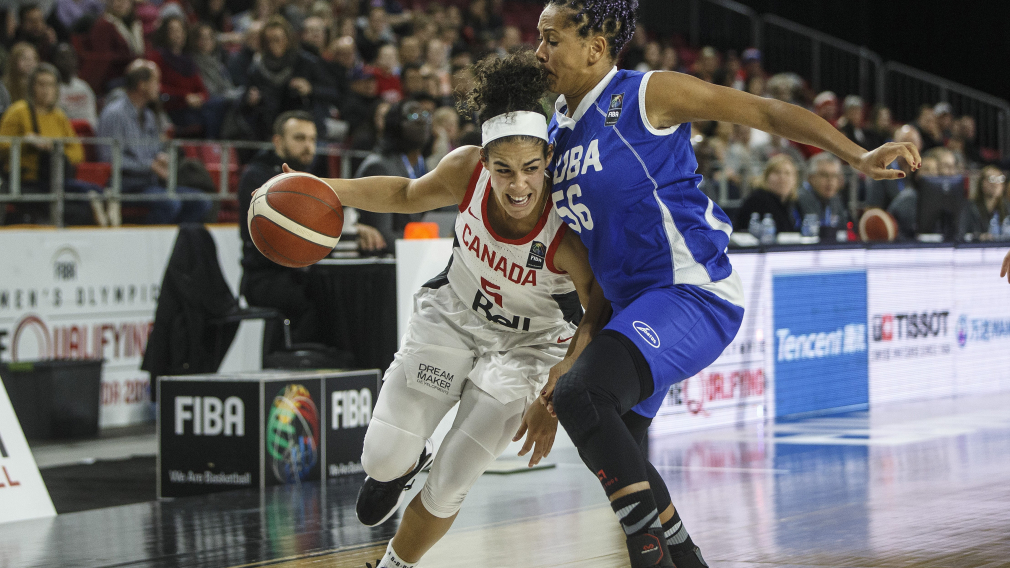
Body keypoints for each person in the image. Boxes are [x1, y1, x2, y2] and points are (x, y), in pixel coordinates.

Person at [533, 1, 920, 566]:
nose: (538, 52)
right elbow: (591, 270)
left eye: (551, 39)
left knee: (583, 398)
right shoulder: (555, 134)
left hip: (692, 294)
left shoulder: (646, 93)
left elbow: (764, 111)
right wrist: (576, 350)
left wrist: (857, 155)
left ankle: (646, 556)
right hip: (628, 313)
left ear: (594, 47)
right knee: (617, 446)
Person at [258, 51, 607, 568]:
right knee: (381, 456)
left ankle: (395, 565)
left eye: (531, 169)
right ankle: (403, 466)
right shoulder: (466, 171)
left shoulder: (567, 220)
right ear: (484, 161)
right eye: (504, 169)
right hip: (455, 317)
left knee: (450, 483)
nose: (518, 186)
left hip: (530, 347)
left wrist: (561, 382)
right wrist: (322, 190)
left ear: (549, 161)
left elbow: (598, 305)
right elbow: (403, 192)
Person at [238, 110, 385, 347]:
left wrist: (355, 229)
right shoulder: (258, 176)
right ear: (278, 141)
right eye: (299, 138)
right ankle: (303, 364)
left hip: (301, 272)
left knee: (345, 291)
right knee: (323, 297)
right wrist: (352, 231)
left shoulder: (309, 177)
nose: (308, 146)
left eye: (312, 139)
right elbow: (294, 227)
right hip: (265, 276)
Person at [96, 60, 211, 225]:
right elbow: (109, 158)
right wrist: (149, 165)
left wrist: (162, 158)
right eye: (156, 81)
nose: (160, 87)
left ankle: (177, 243)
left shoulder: (149, 115)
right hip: (127, 184)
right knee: (170, 204)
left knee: (201, 201)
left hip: (152, 182)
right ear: (142, 85)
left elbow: (155, 149)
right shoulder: (114, 114)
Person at [0, 62, 107, 225]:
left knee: (98, 192)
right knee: (79, 211)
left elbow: (77, 153)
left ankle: (103, 205)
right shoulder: (19, 112)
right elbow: (3, 144)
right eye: (41, 84)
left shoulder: (59, 116)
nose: (46, 90)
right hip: (27, 180)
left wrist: (54, 147)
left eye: (50, 85)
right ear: (31, 87)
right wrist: (26, 143)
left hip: (55, 178)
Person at [353, 99, 432, 250]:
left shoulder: (422, 165)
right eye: (413, 116)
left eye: (426, 115)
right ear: (395, 125)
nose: (422, 121)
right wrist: (430, 244)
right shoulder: (378, 167)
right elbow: (383, 235)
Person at [733, 154, 801, 233]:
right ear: (766, 177)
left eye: (787, 173)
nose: (782, 177)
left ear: (795, 180)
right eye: (777, 172)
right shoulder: (757, 200)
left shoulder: (794, 203)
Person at [798, 152, 851, 232]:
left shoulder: (835, 199)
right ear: (811, 178)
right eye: (824, 175)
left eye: (834, 176)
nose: (830, 181)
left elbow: (844, 230)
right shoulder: (798, 199)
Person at [53, 42, 97, 129]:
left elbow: (93, 118)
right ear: (54, 61)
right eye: (62, 58)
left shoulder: (84, 87)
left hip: (87, 134)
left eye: (70, 57)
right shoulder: (52, 88)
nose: (67, 61)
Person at [958, 165, 1006, 240]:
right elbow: (961, 234)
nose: (996, 184)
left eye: (1000, 179)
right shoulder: (969, 208)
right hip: (975, 249)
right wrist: (978, 237)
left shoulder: (1007, 208)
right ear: (982, 183)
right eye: (992, 179)